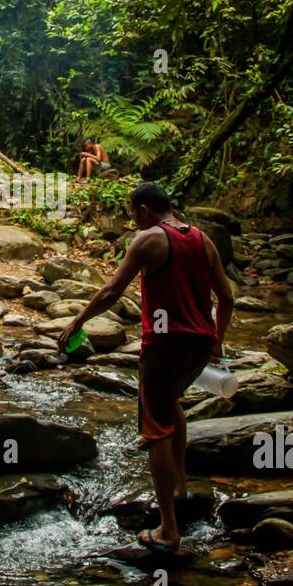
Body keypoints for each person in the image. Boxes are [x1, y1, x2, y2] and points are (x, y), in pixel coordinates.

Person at [57, 181, 234, 554]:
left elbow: (110, 292)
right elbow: (227, 296)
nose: (132, 221)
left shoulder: (148, 239)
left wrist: (78, 321)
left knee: (156, 430)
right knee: (173, 405)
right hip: (199, 343)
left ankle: (168, 529)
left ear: (143, 210)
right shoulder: (203, 239)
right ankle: (181, 486)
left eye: (131, 213)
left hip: (165, 346)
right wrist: (217, 338)